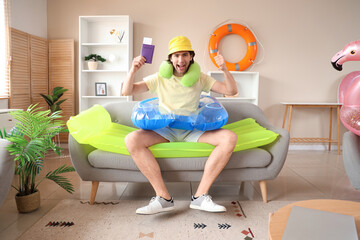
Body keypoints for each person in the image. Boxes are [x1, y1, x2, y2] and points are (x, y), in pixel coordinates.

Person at [122, 36, 238, 215]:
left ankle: (200, 197)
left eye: (184, 55)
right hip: (165, 130)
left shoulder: (200, 78)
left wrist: (224, 69)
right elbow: (127, 91)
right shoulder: (160, 77)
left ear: (191, 57)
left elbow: (231, 91)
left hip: (193, 129)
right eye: (176, 55)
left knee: (230, 137)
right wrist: (132, 70)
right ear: (170, 59)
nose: (180, 60)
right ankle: (163, 198)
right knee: (131, 139)